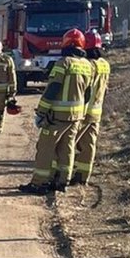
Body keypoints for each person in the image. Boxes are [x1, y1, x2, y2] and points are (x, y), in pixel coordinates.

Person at [20, 29, 93, 195]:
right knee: (66, 148)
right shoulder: (87, 65)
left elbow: (53, 89)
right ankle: (62, 182)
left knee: (45, 148)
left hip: (57, 116)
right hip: (76, 116)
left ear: (65, 43)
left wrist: (41, 112)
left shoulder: (63, 63)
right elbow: (88, 94)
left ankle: (39, 183)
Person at [72, 30, 111, 186]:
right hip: (97, 111)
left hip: (83, 111)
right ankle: (83, 176)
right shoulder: (105, 65)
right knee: (89, 145)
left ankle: (62, 174)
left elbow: (84, 89)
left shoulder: (88, 65)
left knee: (67, 143)